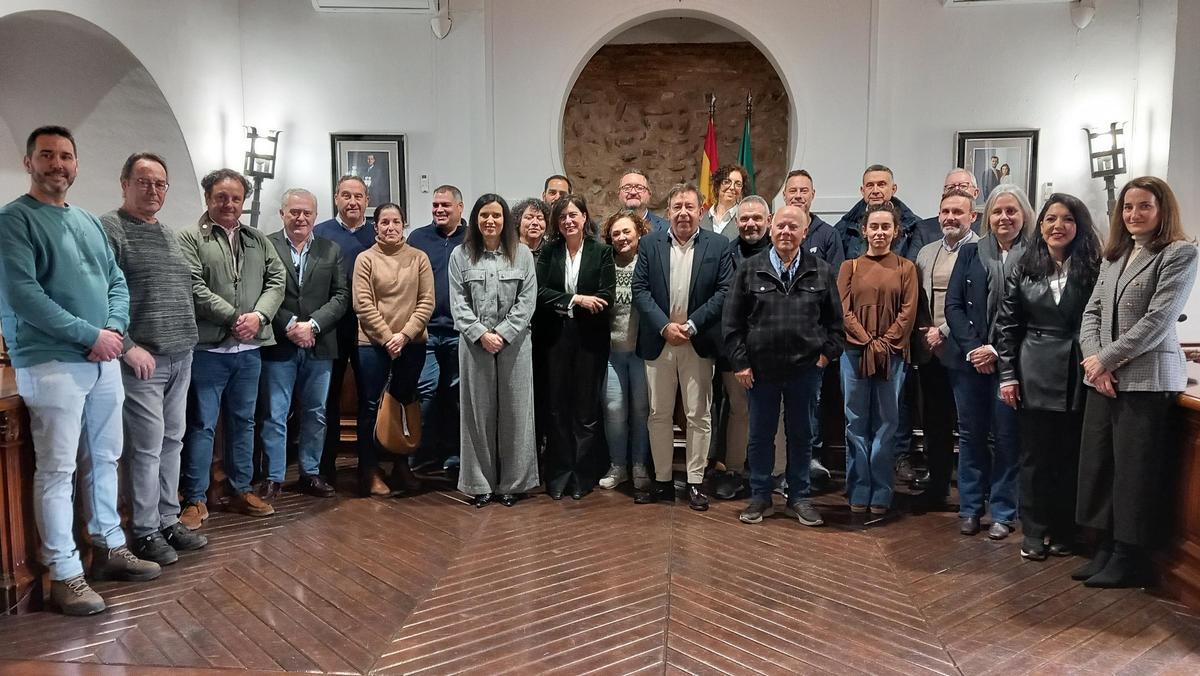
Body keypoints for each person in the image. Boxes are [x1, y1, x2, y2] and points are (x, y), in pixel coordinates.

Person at [0, 126, 158, 615]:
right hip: (50, 361)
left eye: (66, 156)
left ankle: (108, 546)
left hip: (102, 359)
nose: (58, 164)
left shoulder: (88, 221)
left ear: (76, 164)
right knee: (57, 470)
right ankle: (63, 573)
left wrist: (110, 330)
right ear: (29, 162)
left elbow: (116, 283)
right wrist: (92, 336)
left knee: (106, 458)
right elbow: (25, 297)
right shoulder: (13, 221)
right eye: (46, 155)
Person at [1075, 177, 1197, 587]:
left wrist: (1104, 361)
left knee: (1134, 473)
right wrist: (1095, 364)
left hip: (1146, 381)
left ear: (1162, 210)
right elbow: (1091, 313)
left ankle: (1130, 555)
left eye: (1144, 206)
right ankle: (1106, 546)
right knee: (1101, 466)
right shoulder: (1116, 255)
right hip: (1104, 378)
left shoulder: (1179, 253)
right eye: (1127, 207)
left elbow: (1158, 321)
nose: (1133, 215)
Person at [100, 152, 207, 565]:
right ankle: (144, 532)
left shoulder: (168, 234)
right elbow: (102, 293)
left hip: (182, 354)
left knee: (171, 443)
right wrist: (127, 347)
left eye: (160, 183)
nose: (153, 190)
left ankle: (167, 519)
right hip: (143, 360)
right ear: (124, 182)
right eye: (144, 181)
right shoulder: (111, 229)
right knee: (144, 449)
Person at [994, 193, 1101, 561]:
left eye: (1067, 219)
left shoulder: (1095, 267)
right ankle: (1034, 532)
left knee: (1070, 457)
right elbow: (1007, 326)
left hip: (1079, 368)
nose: (1058, 226)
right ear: (1040, 226)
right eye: (1050, 219)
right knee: (1035, 457)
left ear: (1079, 225)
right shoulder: (1025, 266)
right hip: (1033, 368)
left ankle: (1064, 530)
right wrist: (1007, 376)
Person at [178, 169, 286, 525]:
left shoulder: (257, 239)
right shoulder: (190, 238)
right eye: (221, 197)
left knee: (244, 423)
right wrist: (234, 317)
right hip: (208, 351)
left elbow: (277, 279)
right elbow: (193, 285)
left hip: (249, 351)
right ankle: (194, 498)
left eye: (236, 198)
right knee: (202, 425)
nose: (229, 204)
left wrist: (259, 317)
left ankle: (241, 489)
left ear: (244, 201)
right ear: (208, 197)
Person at [725, 205, 845, 526]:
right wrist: (740, 363)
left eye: (794, 227)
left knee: (802, 436)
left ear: (805, 232)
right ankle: (761, 497)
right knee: (760, 436)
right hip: (760, 372)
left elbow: (836, 324)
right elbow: (732, 322)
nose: (786, 232)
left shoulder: (821, 270)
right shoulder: (749, 269)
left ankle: (799, 497)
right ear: (770, 228)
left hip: (805, 371)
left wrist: (824, 357)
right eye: (780, 226)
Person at [632, 183, 734, 509]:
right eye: (677, 207)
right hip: (659, 341)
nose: (683, 213)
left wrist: (691, 325)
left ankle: (695, 482)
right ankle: (662, 480)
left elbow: (724, 291)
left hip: (697, 340)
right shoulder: (648, 244)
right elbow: (640, 289)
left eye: (690, 207)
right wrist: (664, 326)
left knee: (698, 415)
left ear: (701, 211)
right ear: (668, 211)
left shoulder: (718, 246)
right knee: (658, 414)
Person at [943, 185, 1033, 540]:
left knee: (1008, 438)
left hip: (1012, 365)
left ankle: (1004, 511)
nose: (1004, 218)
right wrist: (975, 347)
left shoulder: (1035, 257)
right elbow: (954, 306)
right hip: (968, 365)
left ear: (1023, 215)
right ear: (987, 217)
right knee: (970, 436)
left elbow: (1034, 312)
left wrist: (996, 350)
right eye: (997, 212)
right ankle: (969, 508)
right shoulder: (969, 253)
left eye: (1011, 211)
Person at [449, 194, 539, 506]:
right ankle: (479, 483)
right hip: (474, 345)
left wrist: (502, 333)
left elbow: (527, 301)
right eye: (484, 215)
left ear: (506, 221)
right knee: (477, 414)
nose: (490, 221)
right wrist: (480, 334)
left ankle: (514, 484)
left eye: (497, 216)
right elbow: (457, 303)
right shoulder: (461, 256)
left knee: (516, 412)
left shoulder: (522, 254)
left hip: (515, 344)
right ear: (475, 219)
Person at [259, 189, 349, 500]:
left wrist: (311, 325)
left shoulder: (331, 249)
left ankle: (310, 473)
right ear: (283, 213)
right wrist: (289, 325)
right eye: (294, 212)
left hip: (319, 343)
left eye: (307, 212)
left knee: (316, 412)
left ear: (315, 215)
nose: (300, 218)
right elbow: (261, 291)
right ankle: (273, 476)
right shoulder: (266, 245)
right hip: (279, 343)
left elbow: (341, 296)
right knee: (275, 413)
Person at [837, 202, 919, 515]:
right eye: (874, 227)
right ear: (864, 230)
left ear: (896, 231)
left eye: (886, 227)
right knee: (856, 422)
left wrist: (883, 343)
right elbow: (842, 311)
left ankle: (882, 489)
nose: (880, 232)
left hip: (892, 354)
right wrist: (867, 341)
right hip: (855, 353)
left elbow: (908, 312)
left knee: (888, 422)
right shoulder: (850, 267)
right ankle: (859, 487)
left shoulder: (906, 268)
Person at [534, 194, 615, 499]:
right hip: (554, 338)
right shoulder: (549, 251)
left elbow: (605, 295)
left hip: (589, 339)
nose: (568, 220)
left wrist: (565, 302)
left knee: (585, 409)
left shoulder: (602, 252)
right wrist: (576, 299)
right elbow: (540, 292)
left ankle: (581, 475)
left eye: (573, 215)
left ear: (584, 218)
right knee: (556, 407)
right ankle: (558, 474)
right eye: (562, 216)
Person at [352, 202, 434, 497]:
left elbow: (427, 302)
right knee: (370, 408)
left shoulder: (419, 258)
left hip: (412, 344)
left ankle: (402, 466)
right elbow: (362, 303)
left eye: (396, 222)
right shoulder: (365, 259)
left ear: (403, 225)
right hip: (372, 346)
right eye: (384, 222)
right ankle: (370, 470)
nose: (390, 227)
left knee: (404, 405)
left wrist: (405, 335)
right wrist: (388, 337)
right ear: (375, 227)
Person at [708, 195, 782, 500]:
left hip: (773, 350)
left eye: (756, 218)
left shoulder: (782, 253)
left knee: (773, 413)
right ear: (736, 222)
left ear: (769, 220)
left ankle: (775, 474)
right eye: (744, 219)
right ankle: (735, 471)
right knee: (739, 411)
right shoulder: (726, 254)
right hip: (734, 349)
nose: (750, 224)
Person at [913, 189, 980, 512]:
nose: (950, 217)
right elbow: (918, 299)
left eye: (958, 212)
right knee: (934, 423)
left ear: (972, 217)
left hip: (965, 350)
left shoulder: (982, 251)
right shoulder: (926, 252)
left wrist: (944, 331)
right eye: (945, 212)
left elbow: (978, 305)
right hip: (931, 351)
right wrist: (927, 332)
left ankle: (973, 494)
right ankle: (937, 484)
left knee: (969, 425)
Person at [782, 169, 846, 487]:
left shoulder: (828, 235)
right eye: (792, 190)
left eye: (803, 191)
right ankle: (787, 465)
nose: (798, 195)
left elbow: (834, 288)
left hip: (813, 340)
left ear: (812, 195)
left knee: (813, 403)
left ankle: (812, 459)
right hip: (778, 344)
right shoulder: (778, 232)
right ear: (784, 196)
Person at [313, 175, 375, 484]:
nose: (352, 201)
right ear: (336, 198)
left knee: (369, 399)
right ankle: (325, 469)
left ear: (367, 199)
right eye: (346, 195)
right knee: (328, 399)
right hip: (329, 328)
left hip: (369, 329)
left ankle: (369, 468)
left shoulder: (379, 232)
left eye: (358, 196)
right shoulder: (319, 233)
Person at [408, 185, 468, 475]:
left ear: (460, 207)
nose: (439, 210)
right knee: (426, 391)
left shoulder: (473, 238)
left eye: (445, 205)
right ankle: (422, 454)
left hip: (461, 332)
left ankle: (457, 456)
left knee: (458, 396)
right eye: (435, 205)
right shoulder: (418, 238)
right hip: (426, 332)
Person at [598, 210, 651, 491]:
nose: (621, 238)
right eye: (616, 233)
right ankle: (618, 465)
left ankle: (639, 465)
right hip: (612, 353)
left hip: (642, 353)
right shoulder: (604, 263)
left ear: (639, 232)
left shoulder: (649, 263)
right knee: (614, 408)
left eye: (626, 231)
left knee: (641, 410)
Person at [835, 164, 925, 260]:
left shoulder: (915, 226)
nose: (875, 191)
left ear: (893, 189)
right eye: (870, 185)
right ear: (862, 190)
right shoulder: (843, 227)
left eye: (881, 185)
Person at [917, 169, 982, 245]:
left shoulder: (990, 227)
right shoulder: (924, 229)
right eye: (950, 187)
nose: (957, 190)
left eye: (963, 186)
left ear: (975, 193)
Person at [699, 164, 745, 240]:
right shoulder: (701, 218)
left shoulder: (744, 219)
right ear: (717, 185)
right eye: (727, 182)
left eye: (738, 184)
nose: (732, 187)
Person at [616, 168, 669, 232]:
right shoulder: (602, 230)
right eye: (627, 188)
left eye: (639, 188)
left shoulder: (666, 228)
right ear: (618, 194)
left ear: (649, 194)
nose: (633, 192)